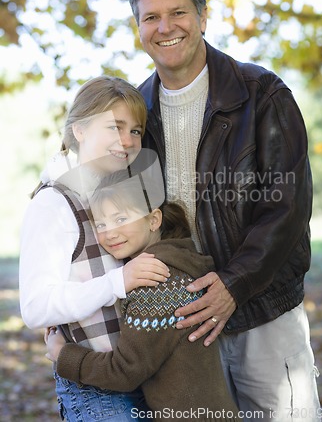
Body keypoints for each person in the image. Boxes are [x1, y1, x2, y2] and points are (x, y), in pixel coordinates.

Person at [126, 0, 321, 421]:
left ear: (203, 17)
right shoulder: (135, 113)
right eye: (150, 17)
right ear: (138, 26)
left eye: (178, 13)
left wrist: (234, 284)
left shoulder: (263, 95)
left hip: (263, 313)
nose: (165, 27)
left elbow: (287, 207)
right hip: (182, 323)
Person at [19, 76, 170, 421]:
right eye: (115, 126)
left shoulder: (117, 191)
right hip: (97, 393)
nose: (127, 141)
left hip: (141, 376)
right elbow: (36, 307)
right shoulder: (54, 204)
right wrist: (118, 282)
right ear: (80, 129)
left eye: (135, 131)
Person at [46, 173, 241, 421]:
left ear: (153, 219)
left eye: (121, 218)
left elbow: (124, 371)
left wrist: (63, 355)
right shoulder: (180, 262)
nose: (110, 233)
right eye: (101, 224)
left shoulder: (155, 284)